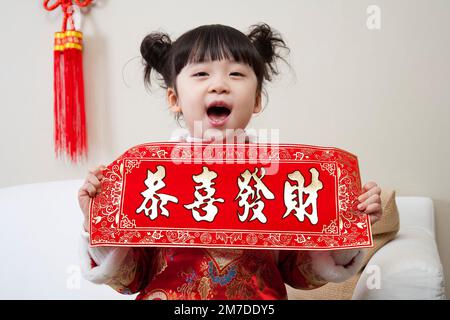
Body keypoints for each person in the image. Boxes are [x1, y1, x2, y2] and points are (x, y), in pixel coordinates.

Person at [78, 23, 383, 300]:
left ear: (258, 99)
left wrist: (349, 226)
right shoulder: (147, 177)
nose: (219, 85)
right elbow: (130, 278)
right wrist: (98, 222)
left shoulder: (283, 176)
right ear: (174, 99)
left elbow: (299, 272)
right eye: (201, 74)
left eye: (236, 74)